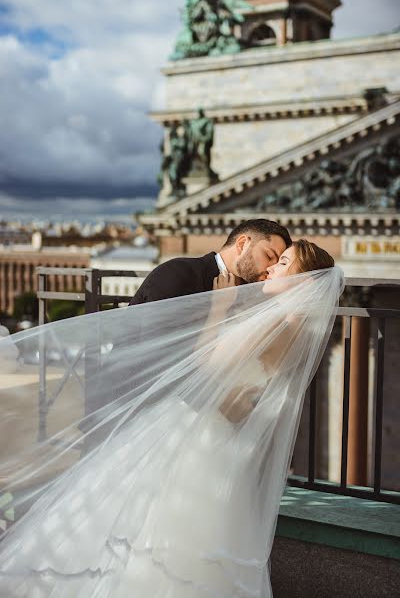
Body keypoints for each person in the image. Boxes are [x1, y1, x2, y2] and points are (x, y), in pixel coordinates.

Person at [0, 239, 343, 598]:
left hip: (199, 437)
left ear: (305, 281)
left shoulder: (274, 323)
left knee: (147, 528)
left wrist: (219, 309)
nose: (270, 269)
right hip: (221, 437)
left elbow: (209, 364)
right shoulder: (295, 327)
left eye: (282, 262)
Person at [129, 219, 291, 305]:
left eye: (278, 263)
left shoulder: (254, 296)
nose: (271, 269)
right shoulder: (178, 273)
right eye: (269, 256)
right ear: (242, 244)